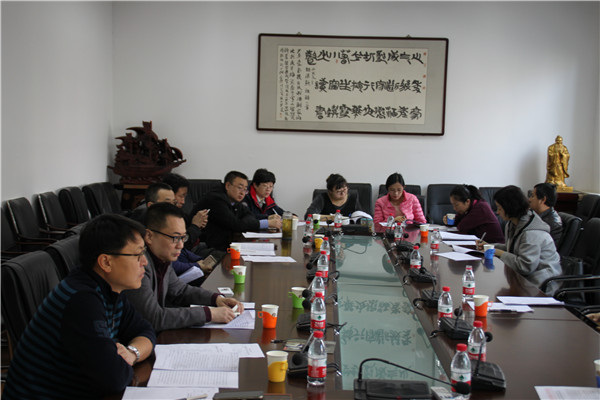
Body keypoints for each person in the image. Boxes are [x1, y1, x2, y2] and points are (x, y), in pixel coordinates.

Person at [3, 214, 156, 399]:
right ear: (106, 262)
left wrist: (132, 353)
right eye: (137, 255)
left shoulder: (109, 289)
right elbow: (114, 378)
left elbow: (145, 330)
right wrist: (121, 360)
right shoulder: (81, 301)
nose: (144, 262)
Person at [123, 202, 243, 332]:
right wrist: (209, 314)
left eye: (183, 237)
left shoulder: (163, 258)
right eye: (175, 238)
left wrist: (216, 299)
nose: (180, 245)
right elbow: (154, 318)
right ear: (149, 236)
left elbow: (180, 290)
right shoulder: (139, 265)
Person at [477, 185, 561, 295]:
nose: (497, 212)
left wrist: (497, 252)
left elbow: (525, 266)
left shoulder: (532, 233)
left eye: (500, 208)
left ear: (510, 207)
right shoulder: (512, 224)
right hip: (523, 280)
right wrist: (489, 246)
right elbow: (512, 248)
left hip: (541, 285)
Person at [129, 183, 213, 283]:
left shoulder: (175, 221)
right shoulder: (143, 233)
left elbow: (178, 287)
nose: (173, 207)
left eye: (174, 203)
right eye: (167, 203)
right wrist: (198, 265)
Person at [194, 171, 282, 251]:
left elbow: (249, 215)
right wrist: (267, 223)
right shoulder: (216, 199)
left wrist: (243, 222)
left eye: (245, 189)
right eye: (240, 188)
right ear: (228, 186)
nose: (242, 193)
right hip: (204, 246)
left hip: (224, 243)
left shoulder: (234, 199)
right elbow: (235, 224)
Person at [162, 173, 209, 251]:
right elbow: (183, 244)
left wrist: (199, 225)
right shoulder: (163, 216)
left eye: (185, 197)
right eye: (181, 196)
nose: (183, 202)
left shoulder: (180, 212)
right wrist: (195, 226)